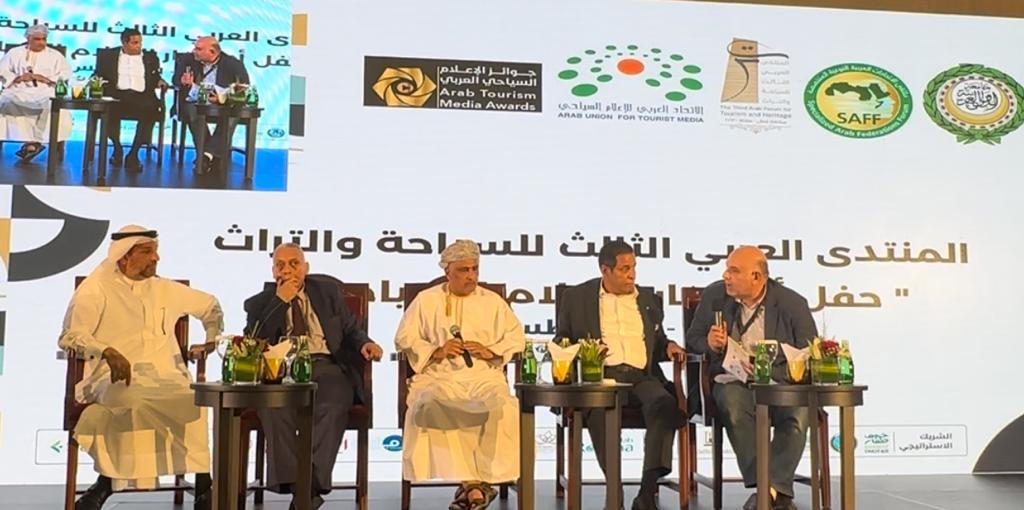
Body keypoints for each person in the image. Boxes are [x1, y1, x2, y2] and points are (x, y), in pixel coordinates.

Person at [58, 225, 223, 510]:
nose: (156, 258)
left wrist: (210, 340)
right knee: (133, 401)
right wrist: (106, 350)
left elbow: (211, 306)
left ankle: (204, 483)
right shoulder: (95, 289)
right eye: (147, 252)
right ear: (124, 256)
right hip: (113, 377)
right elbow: (70, 336)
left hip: (168, 377)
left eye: (155, 251)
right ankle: (107, 482)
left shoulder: (165, 289)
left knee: (193, 400)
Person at [244, 243, 383, 510]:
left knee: (331, 405)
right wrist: (280, 301)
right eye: (280, 265)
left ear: (306, 268)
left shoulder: (327, 291)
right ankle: (304, 492)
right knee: (274, 409)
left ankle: (305, 492)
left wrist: (365, 343)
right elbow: (254, 341)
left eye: (294, 263)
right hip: (281, 370)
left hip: (325, 365)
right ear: (273, 271)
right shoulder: (259, 303)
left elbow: (350, 329)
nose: (287, 270)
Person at [555, 240, 685, 510]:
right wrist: (585, 351)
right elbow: (562, 340)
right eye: (625, 269)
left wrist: (669, 346)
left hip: (642, 376)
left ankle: (647, 492)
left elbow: (658, 340)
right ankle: (614, 492)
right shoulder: (577, 298)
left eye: (634, 267)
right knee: (600, 409)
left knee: (665, 404)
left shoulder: (647, 299)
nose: (632, 274)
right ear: (605, 270)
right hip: (602, 377)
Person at [685, 245, 817, 510]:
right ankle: (774, 489)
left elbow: (809, 351)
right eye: (726, 269)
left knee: (798, 411)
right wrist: (709, 343)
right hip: (733, 380)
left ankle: (768, 491)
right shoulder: (714, 296)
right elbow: (692, 340)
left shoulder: (792, 303)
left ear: (757, 277)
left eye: (734, 271)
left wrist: (775, 371)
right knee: (733, 404)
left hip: (779, 383)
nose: (725, 276)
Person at [394, 240, 523, 510]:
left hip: (483, 376)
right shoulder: (426, 300)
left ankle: (475, 485)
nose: (471, 276)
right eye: (464, 270)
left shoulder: (492, 301)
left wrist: (490, 350)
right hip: (440, 376)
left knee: (503, 407)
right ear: (447, 272)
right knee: (431, 404)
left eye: (475, 269)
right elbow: (404, 337)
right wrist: (437, 350)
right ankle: (474, 485)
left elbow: (516, 337)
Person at [171, 36, 249, 174]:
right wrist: (183, 81)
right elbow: (175, 81)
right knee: (192, 111)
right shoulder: (188, 60)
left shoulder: (232, 63)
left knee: (232, 114)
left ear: (212, 52)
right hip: (195, 101)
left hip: (222, 103)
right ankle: (211, 156)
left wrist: (221, 98)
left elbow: (243, 87)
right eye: (195, 48)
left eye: (198, 49)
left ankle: (206, 155)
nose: (194, 51)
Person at [94, 28, 166, 172]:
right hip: (117, 95)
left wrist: (160, 82)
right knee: (108, 109)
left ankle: (133, 154)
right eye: (135, 43)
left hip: (142, 96)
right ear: (124, 43)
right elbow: (98, 75)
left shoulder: (150, 57)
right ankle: (117, 148)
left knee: (151, 110)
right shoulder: (108, 56)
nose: (139, 46)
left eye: (140, 42)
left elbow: (155, 77)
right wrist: (95, 82)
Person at [0, 24, 72, 162]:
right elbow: (2, 70)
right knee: (5, 102)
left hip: (45, 90)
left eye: (44, 39)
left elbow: (65, 73)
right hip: (19, 89)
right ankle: (28, 142)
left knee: (51, 105)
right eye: (37, 39)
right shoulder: (15, 52)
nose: (41, 43)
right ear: (28, 38)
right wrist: (18, 78)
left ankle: (35, 142)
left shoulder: (55, 55)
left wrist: (44, 78)